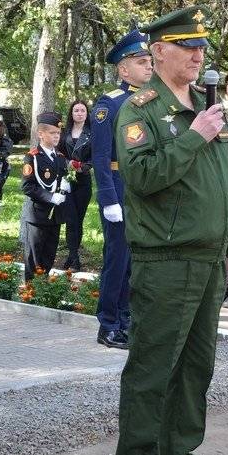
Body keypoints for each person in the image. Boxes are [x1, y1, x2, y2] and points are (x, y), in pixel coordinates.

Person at [111, 5, 228, 455]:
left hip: (209, 258)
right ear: (159, 52)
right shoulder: (140, 109)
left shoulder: (207, 109)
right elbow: (142, 178)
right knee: (153, 365)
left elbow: (224, 183)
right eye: (188, 48)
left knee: (196, 364)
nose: (198, 56)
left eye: (202, 48)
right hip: (166, 259)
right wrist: (194, 136)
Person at [91, 27, 152, 349]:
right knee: (118, 259)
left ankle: (127, 320)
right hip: (118, 186)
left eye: (149, 61)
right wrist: (108, 198)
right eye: (142, 62)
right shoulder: (109, 104)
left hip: (141, 189)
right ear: (123, 68)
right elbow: (100, 156)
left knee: (135, 260)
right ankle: (109, 324)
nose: (149, 67)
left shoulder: (148, 102)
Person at [20, 112, 69, 280]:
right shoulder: (32, 158)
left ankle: (42, 289)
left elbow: (61, 180)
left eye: (58, 133)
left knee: (49, 255)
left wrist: (65, 188)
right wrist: (49, 196)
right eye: (52, 133)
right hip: (38, 214)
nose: (57, 137)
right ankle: (30, 291)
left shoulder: (61, 158)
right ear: (41, 134)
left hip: (55, 216)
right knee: (34, 256)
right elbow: (27, 186)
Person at [59, 99, 92, 270]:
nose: (79, 113)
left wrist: (83, 167)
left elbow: (95, 157)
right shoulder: (64, 133)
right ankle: (73, 256)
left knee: (78, 219)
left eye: (82, 110)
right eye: (76, 110)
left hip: (83, 181)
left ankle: (73, 254)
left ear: (87, 114)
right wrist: (68, 164)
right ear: (71, 114)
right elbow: (58, 153)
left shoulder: (92, 133)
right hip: (67, 181)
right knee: (70, 219)